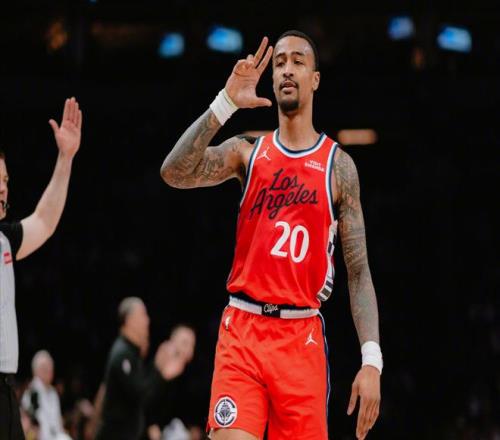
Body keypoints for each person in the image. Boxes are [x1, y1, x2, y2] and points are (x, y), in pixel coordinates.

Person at [160, 30, 383, 440]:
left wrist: (372, 360)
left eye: (298, 61)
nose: (287, 69)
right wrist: (225, 102)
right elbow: (173, 172)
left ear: (315, 79)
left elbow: (359, 271)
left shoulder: (338, 167)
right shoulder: (247, 151)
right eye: (279, 63)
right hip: (242, 331)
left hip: (301, 339)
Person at [0, 97, 82, 440]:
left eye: (6, 179)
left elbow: (45, 222)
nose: (3, 187)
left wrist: (65, 158)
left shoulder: (4, 239)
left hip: (5, 388)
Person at [94, 297, 189, 440]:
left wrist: (157, 368)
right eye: (143, 315)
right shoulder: (122, 354)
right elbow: (140, 394)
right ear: (129, 320)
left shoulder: (132, 353)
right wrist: (160, 373)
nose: (147, 321)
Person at [21, 350, 71, 440]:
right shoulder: (32, 393)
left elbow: (58, 423)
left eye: (50, 368)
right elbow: (28, 426)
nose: (49, 371)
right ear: (36, 371)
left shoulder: (53, 393)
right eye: (45, 368)